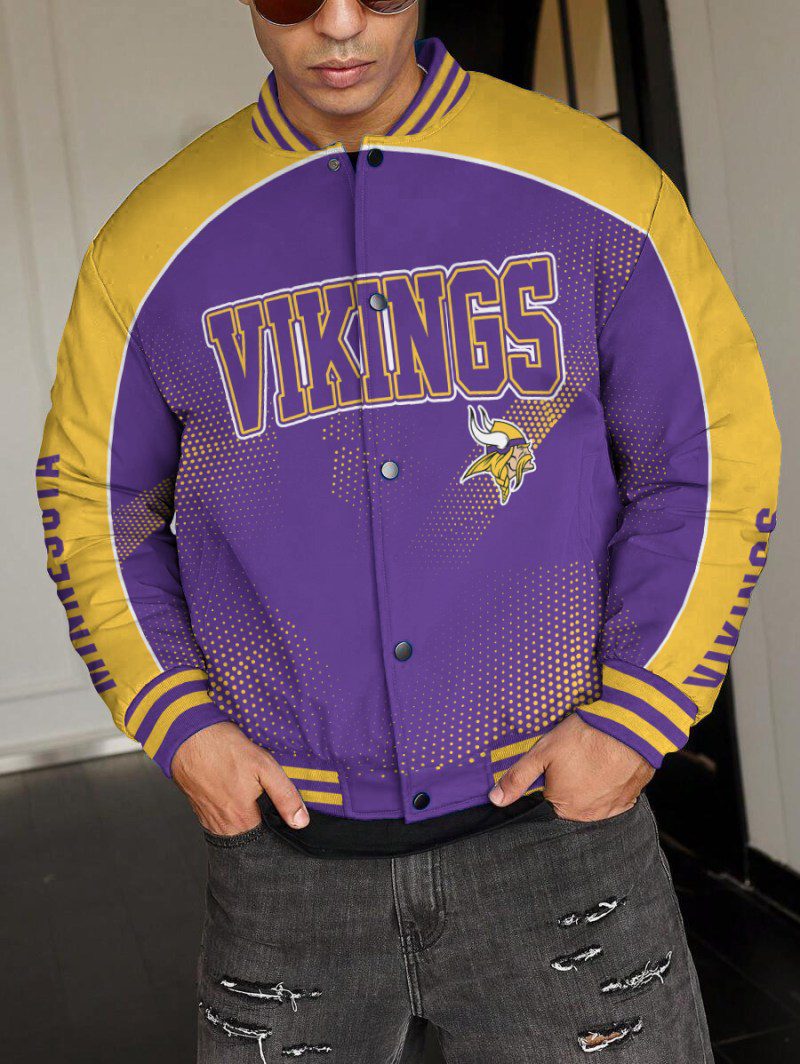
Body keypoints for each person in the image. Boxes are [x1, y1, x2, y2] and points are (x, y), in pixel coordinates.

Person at [35, 0, 781, 1060]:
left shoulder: (600, 188)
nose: (339, 24)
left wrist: (636, 715)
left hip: (557, 835)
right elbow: (93, 498)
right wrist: (178, 721)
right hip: (286, 854)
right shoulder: (150, 244)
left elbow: (707, 458)